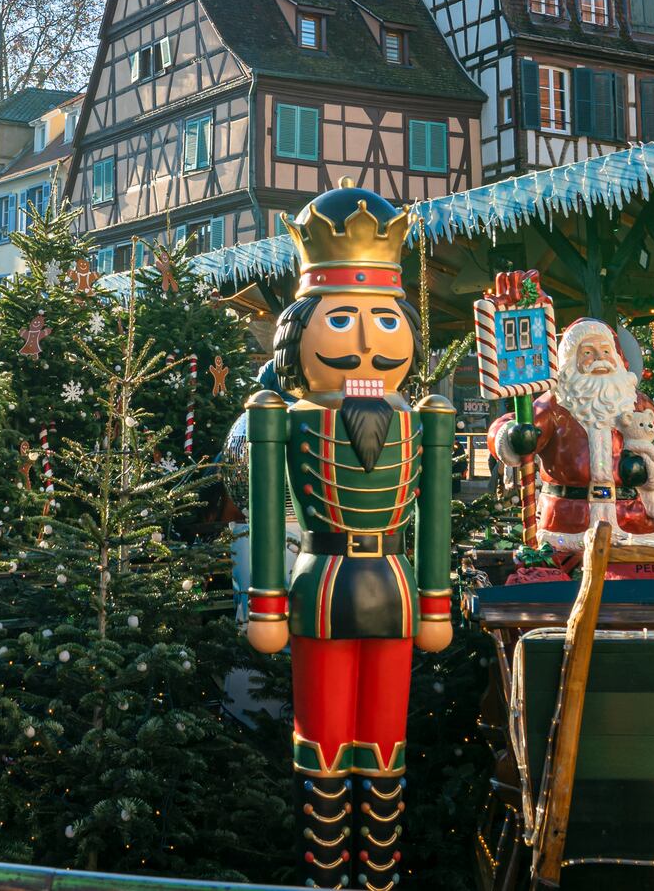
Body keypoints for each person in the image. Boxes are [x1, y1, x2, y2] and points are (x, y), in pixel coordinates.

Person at [240, 181, 455, 891]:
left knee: (385, 738)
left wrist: (434, 602)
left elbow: (434, 517)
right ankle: (327, 870)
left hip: (393, 588)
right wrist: (265, 603)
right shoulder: (286, 416)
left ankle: (381, 871)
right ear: (297, 332)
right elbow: (270, 511)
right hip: (321, 584)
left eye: (383, 322)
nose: (365, 341)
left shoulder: (421, 419)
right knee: (325, 734)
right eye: (342, 321)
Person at [490, 316, 654, 553]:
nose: (600, 359)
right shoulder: (556, 404)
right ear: (571, 361)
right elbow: (516, 423)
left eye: (605, 350)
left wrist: (648, 464)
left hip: (635, 521)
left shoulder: (636, 403)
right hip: (568, 523)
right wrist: (512, 435)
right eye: (588, 353)